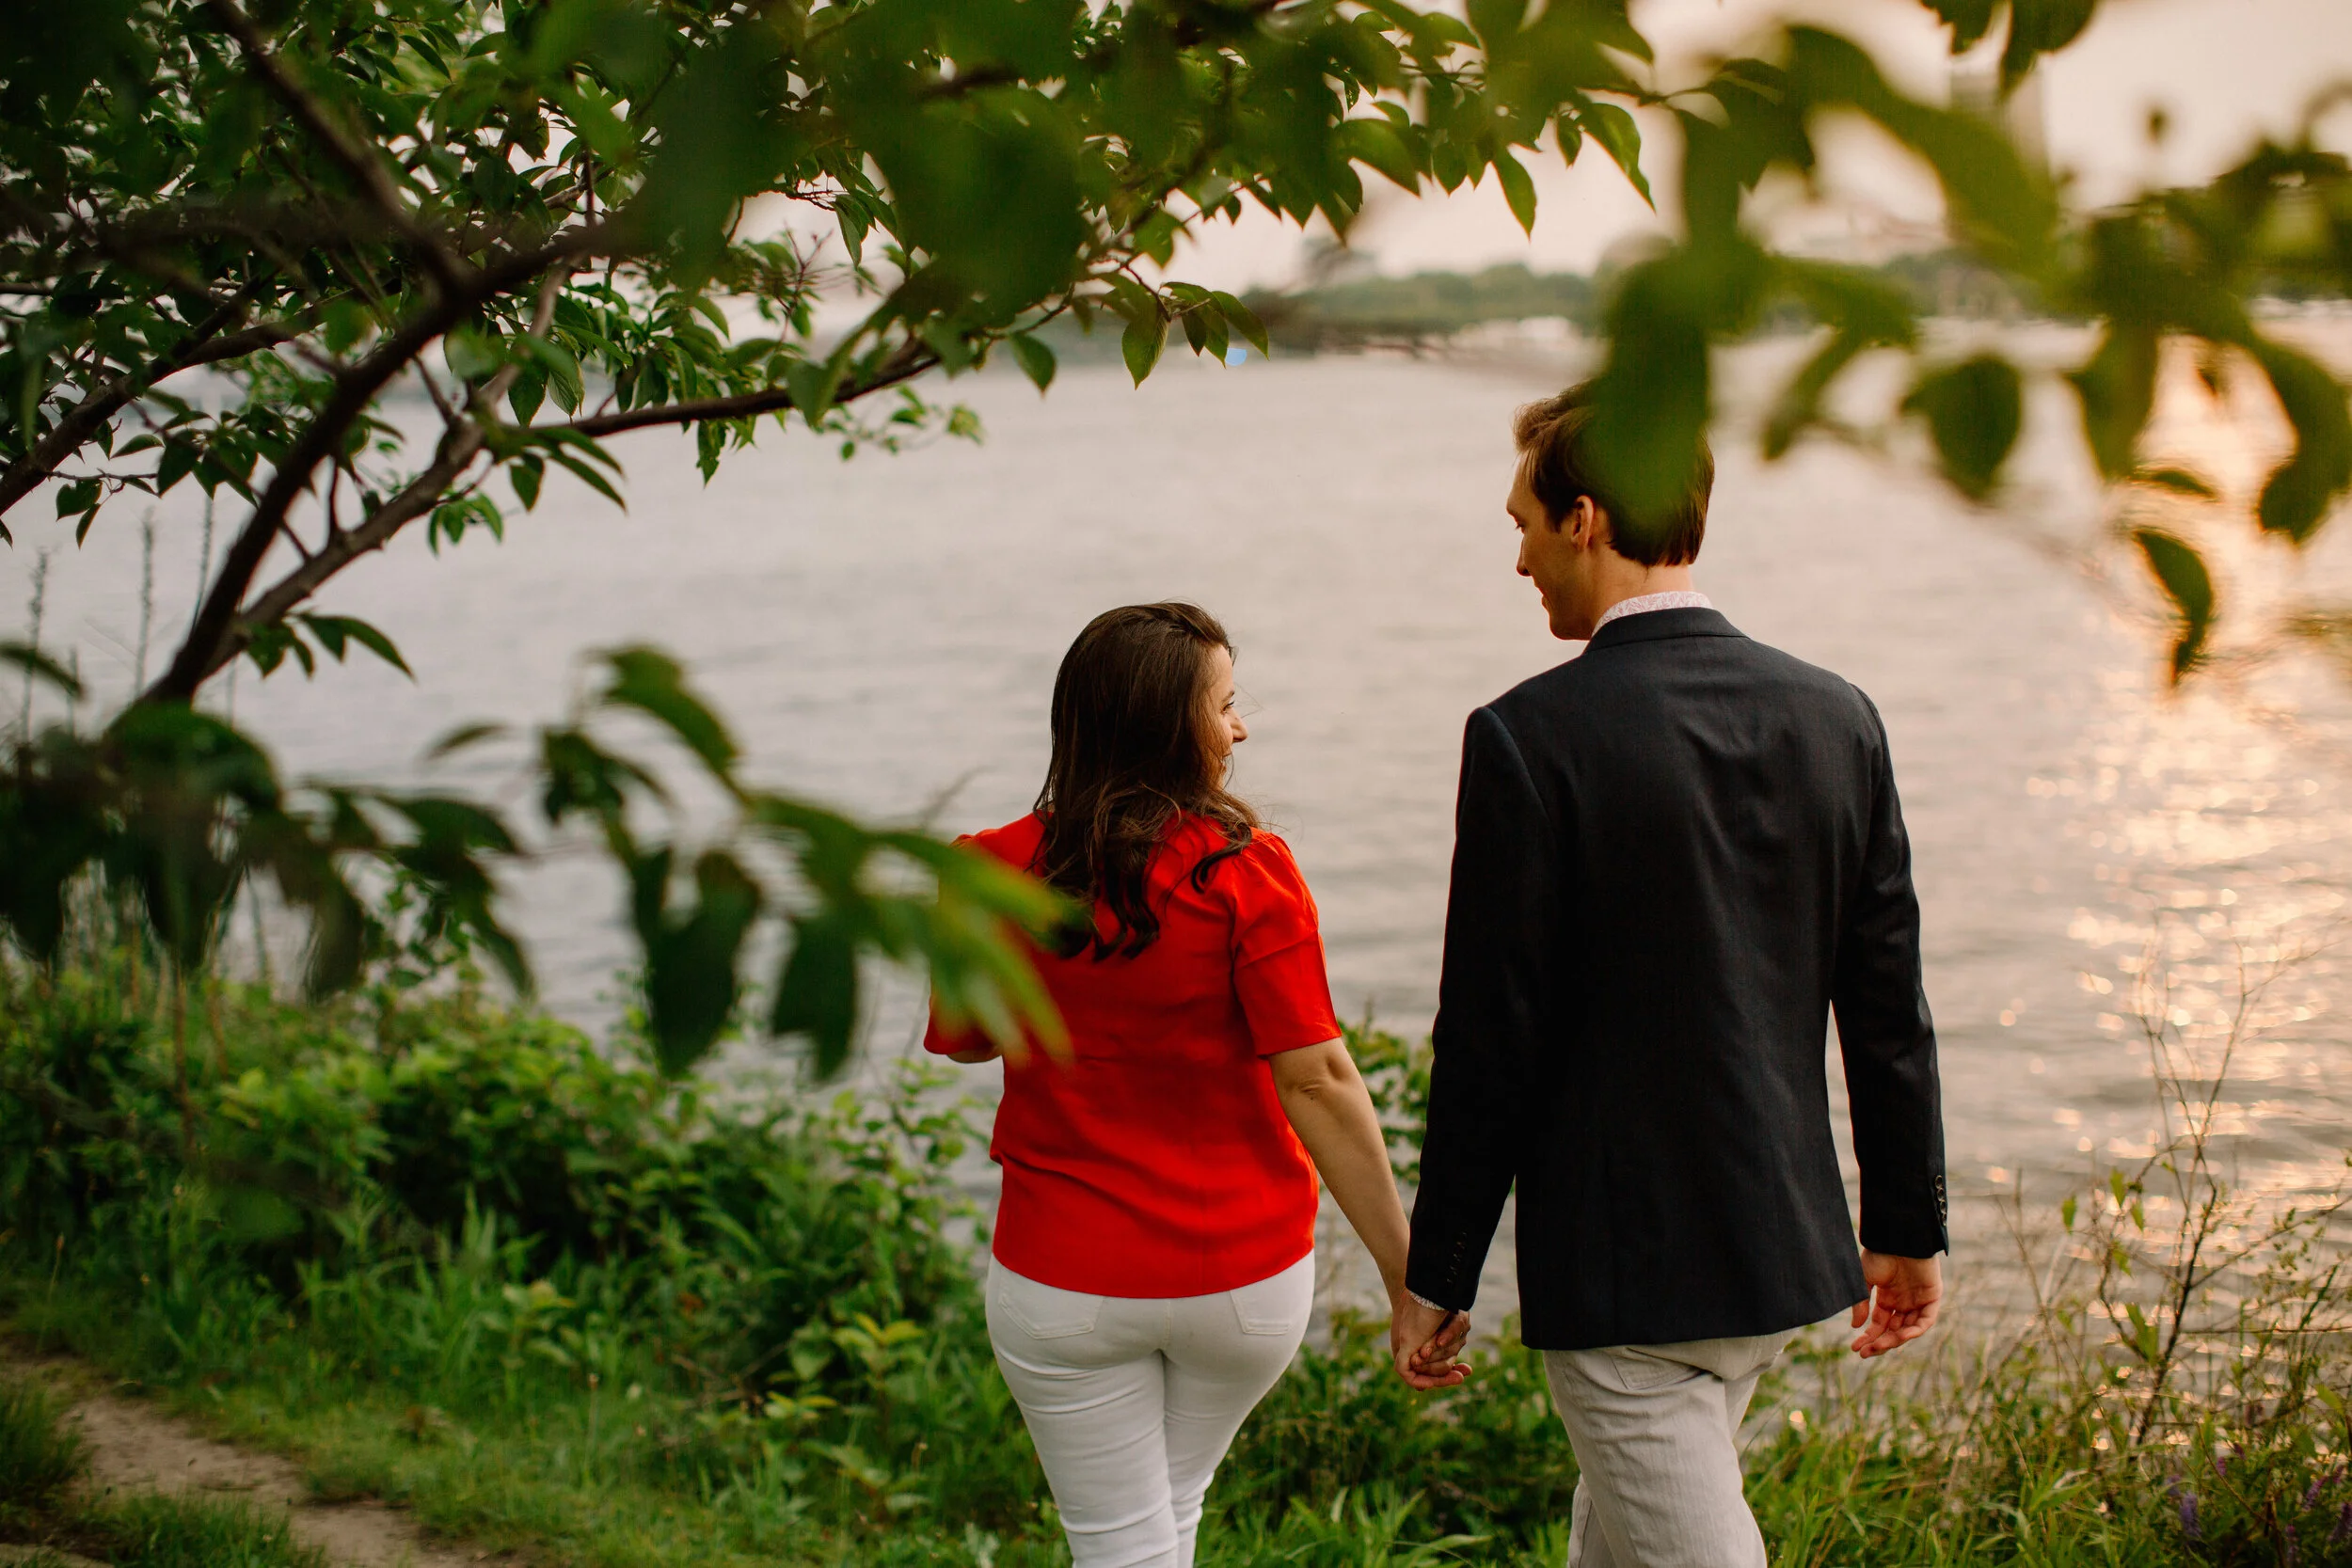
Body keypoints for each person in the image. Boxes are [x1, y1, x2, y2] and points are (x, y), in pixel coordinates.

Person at [1390, 385, 1949, 1566]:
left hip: (1622, 1282)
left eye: (1526, 524)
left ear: (1584, 518)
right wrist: (1904, 1222)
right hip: (1772, 1250)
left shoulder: (1526, 737)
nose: (1521, 559)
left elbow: (1489, 1033)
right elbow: (1886, 1002)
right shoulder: (1837, 717)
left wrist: (1437, 1269)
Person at [927, 602, 1470, 1568]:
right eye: (1224, 705)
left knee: (1122, 1541)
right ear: (1168, 726)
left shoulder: (984, 871)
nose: (1240, 727)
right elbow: (1320, 1078)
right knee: (1165, 1517)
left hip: (1064, 1274)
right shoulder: (1249, 870)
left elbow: (966, 1042)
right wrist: (1405, 1275)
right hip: (1240, 1281)